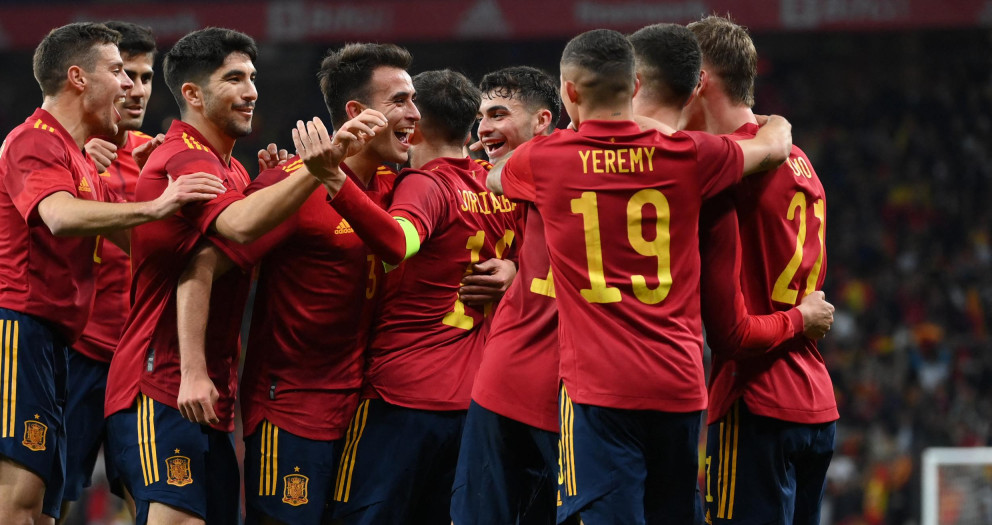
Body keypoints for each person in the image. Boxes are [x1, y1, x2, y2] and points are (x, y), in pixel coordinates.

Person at [492, 29, 792, 524]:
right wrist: (776, 121)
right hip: (679, 385)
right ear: (634, 87)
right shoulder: (692, 154)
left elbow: (494, 177)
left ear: (569, 92)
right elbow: (771, 150)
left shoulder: (547, 160)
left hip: (598, 393)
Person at [0, 22, 225, 525]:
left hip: (51, 345)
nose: (129, 85)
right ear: (78, 78)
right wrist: (159, 205)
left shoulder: (79, 158)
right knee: (7, 512)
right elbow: (59, 217)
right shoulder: (34, 141)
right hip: (14, 332)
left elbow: (143, 249)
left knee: (36, 516)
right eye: (119, 71)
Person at [101, 27, 367, 525]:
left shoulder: (233, 171)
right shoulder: (184, 156)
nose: (251, 91)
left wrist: (277, 178)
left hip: (204, 396)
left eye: (252, 77)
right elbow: (237, 231)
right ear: (193, 94)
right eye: (234, 79)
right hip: (160, 383)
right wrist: (315, 167)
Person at [302, 69, 520, 524]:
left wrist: (335, 182)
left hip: (401, 397)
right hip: (474, 402)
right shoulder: (499, 188)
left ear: (415, 126)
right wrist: (515, 268)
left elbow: (400, 241)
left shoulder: (425, 183)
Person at [211, 42, 410, 525]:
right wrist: (193, 369)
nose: (415, 114)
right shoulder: (293, 185)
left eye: (415, 99)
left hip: (367, 411)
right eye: (400, 101)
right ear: (358, 113)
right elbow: (207, 265)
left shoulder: (399, 185)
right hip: (292, 409)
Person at [683, 16, 838, 525]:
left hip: (756, 402)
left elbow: (729, 335)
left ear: (700, 79)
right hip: (815, 403)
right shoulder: (799, 159)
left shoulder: (729, 173)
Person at [450, 65, 562, 525]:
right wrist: (518, 266)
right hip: (514, 378)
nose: (484, 128)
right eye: (481, 117)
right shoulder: (513, 178)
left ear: (542, 121)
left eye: (499, 113)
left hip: (556, 385)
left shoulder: (547, 163)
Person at [60, 20, 157, 523]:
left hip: (142, 363)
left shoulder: (162, 163)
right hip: (75, 353)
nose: (134, 89)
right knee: (45, 500)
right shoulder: (62, 153)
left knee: (157, 500)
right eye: (124, 74)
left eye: (144, 77)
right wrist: (81, 165)